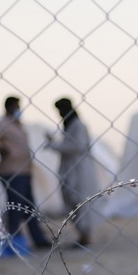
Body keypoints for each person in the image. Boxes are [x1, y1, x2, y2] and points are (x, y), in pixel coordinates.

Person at [0, 95, 51, 249]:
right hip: (12, 171)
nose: (19, 110)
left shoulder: (17, 125)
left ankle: (38, 239)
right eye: (16, 107)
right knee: (16, 206)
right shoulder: (3, 124)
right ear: (9, 107)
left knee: (28, 207)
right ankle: (12, 238)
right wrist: (2, 147)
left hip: (24, 170)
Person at [45, 97, 98, 248]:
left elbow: (77, 146)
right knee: (72, 202)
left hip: (79, 170)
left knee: (81, 202)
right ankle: (82, 235)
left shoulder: (78, 125)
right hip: (70, 169)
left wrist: (55, 145)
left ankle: (86, 236)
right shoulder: (70, 126)